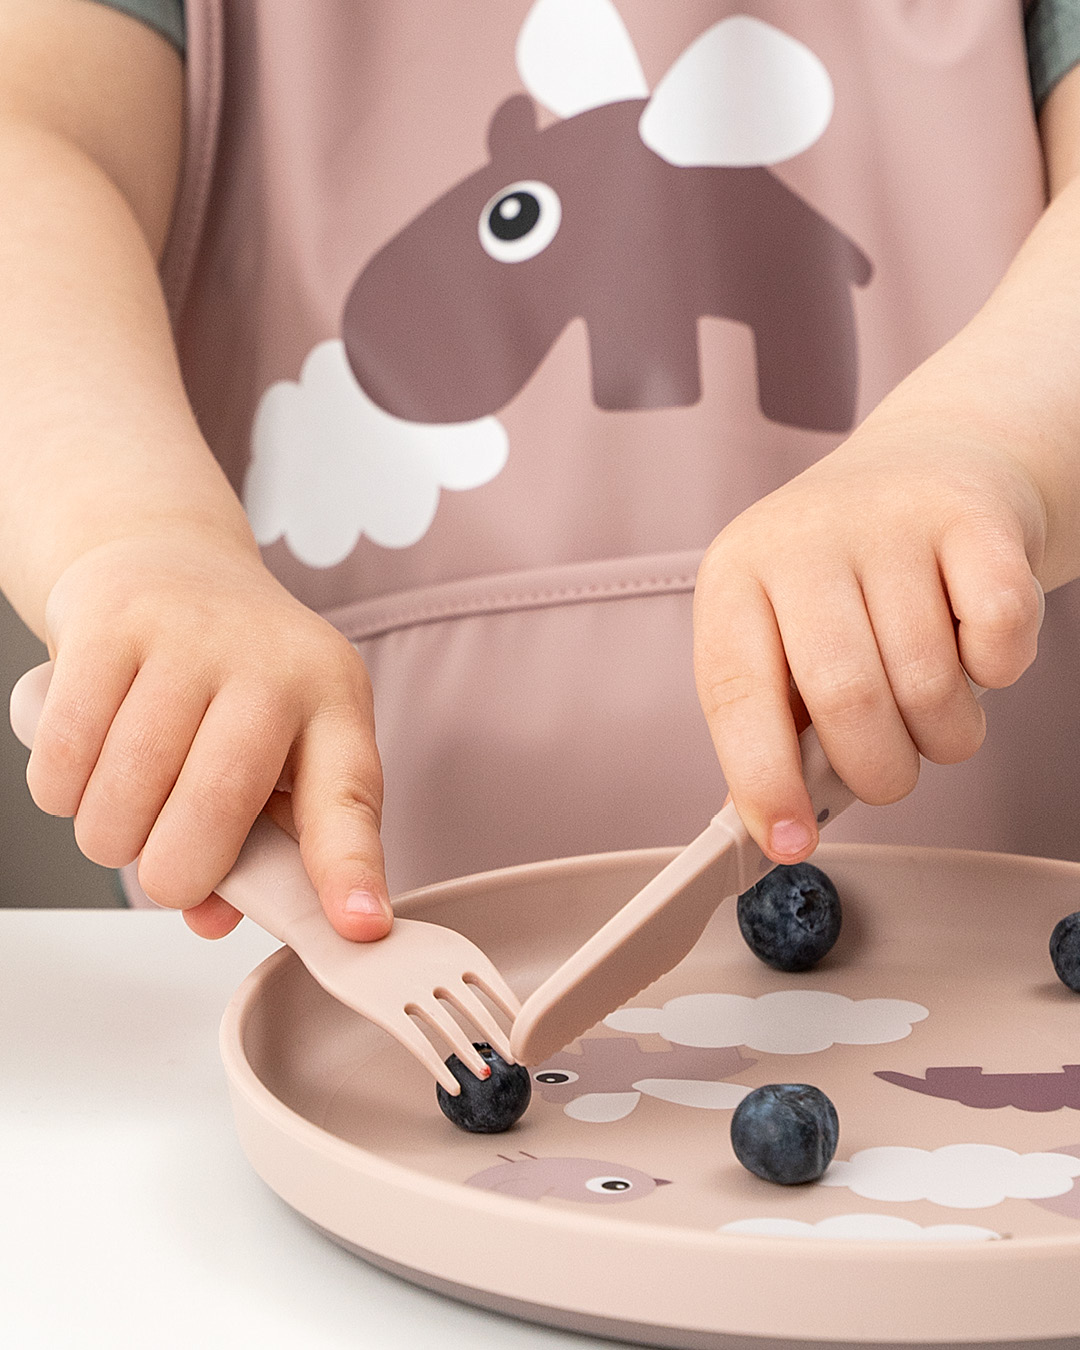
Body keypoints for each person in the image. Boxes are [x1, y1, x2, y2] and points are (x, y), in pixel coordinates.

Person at [1, 0, 1078, 945]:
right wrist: (140, 537)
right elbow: (32, 143)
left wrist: (978, 441)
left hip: (1006, 1012)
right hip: (277, 999)